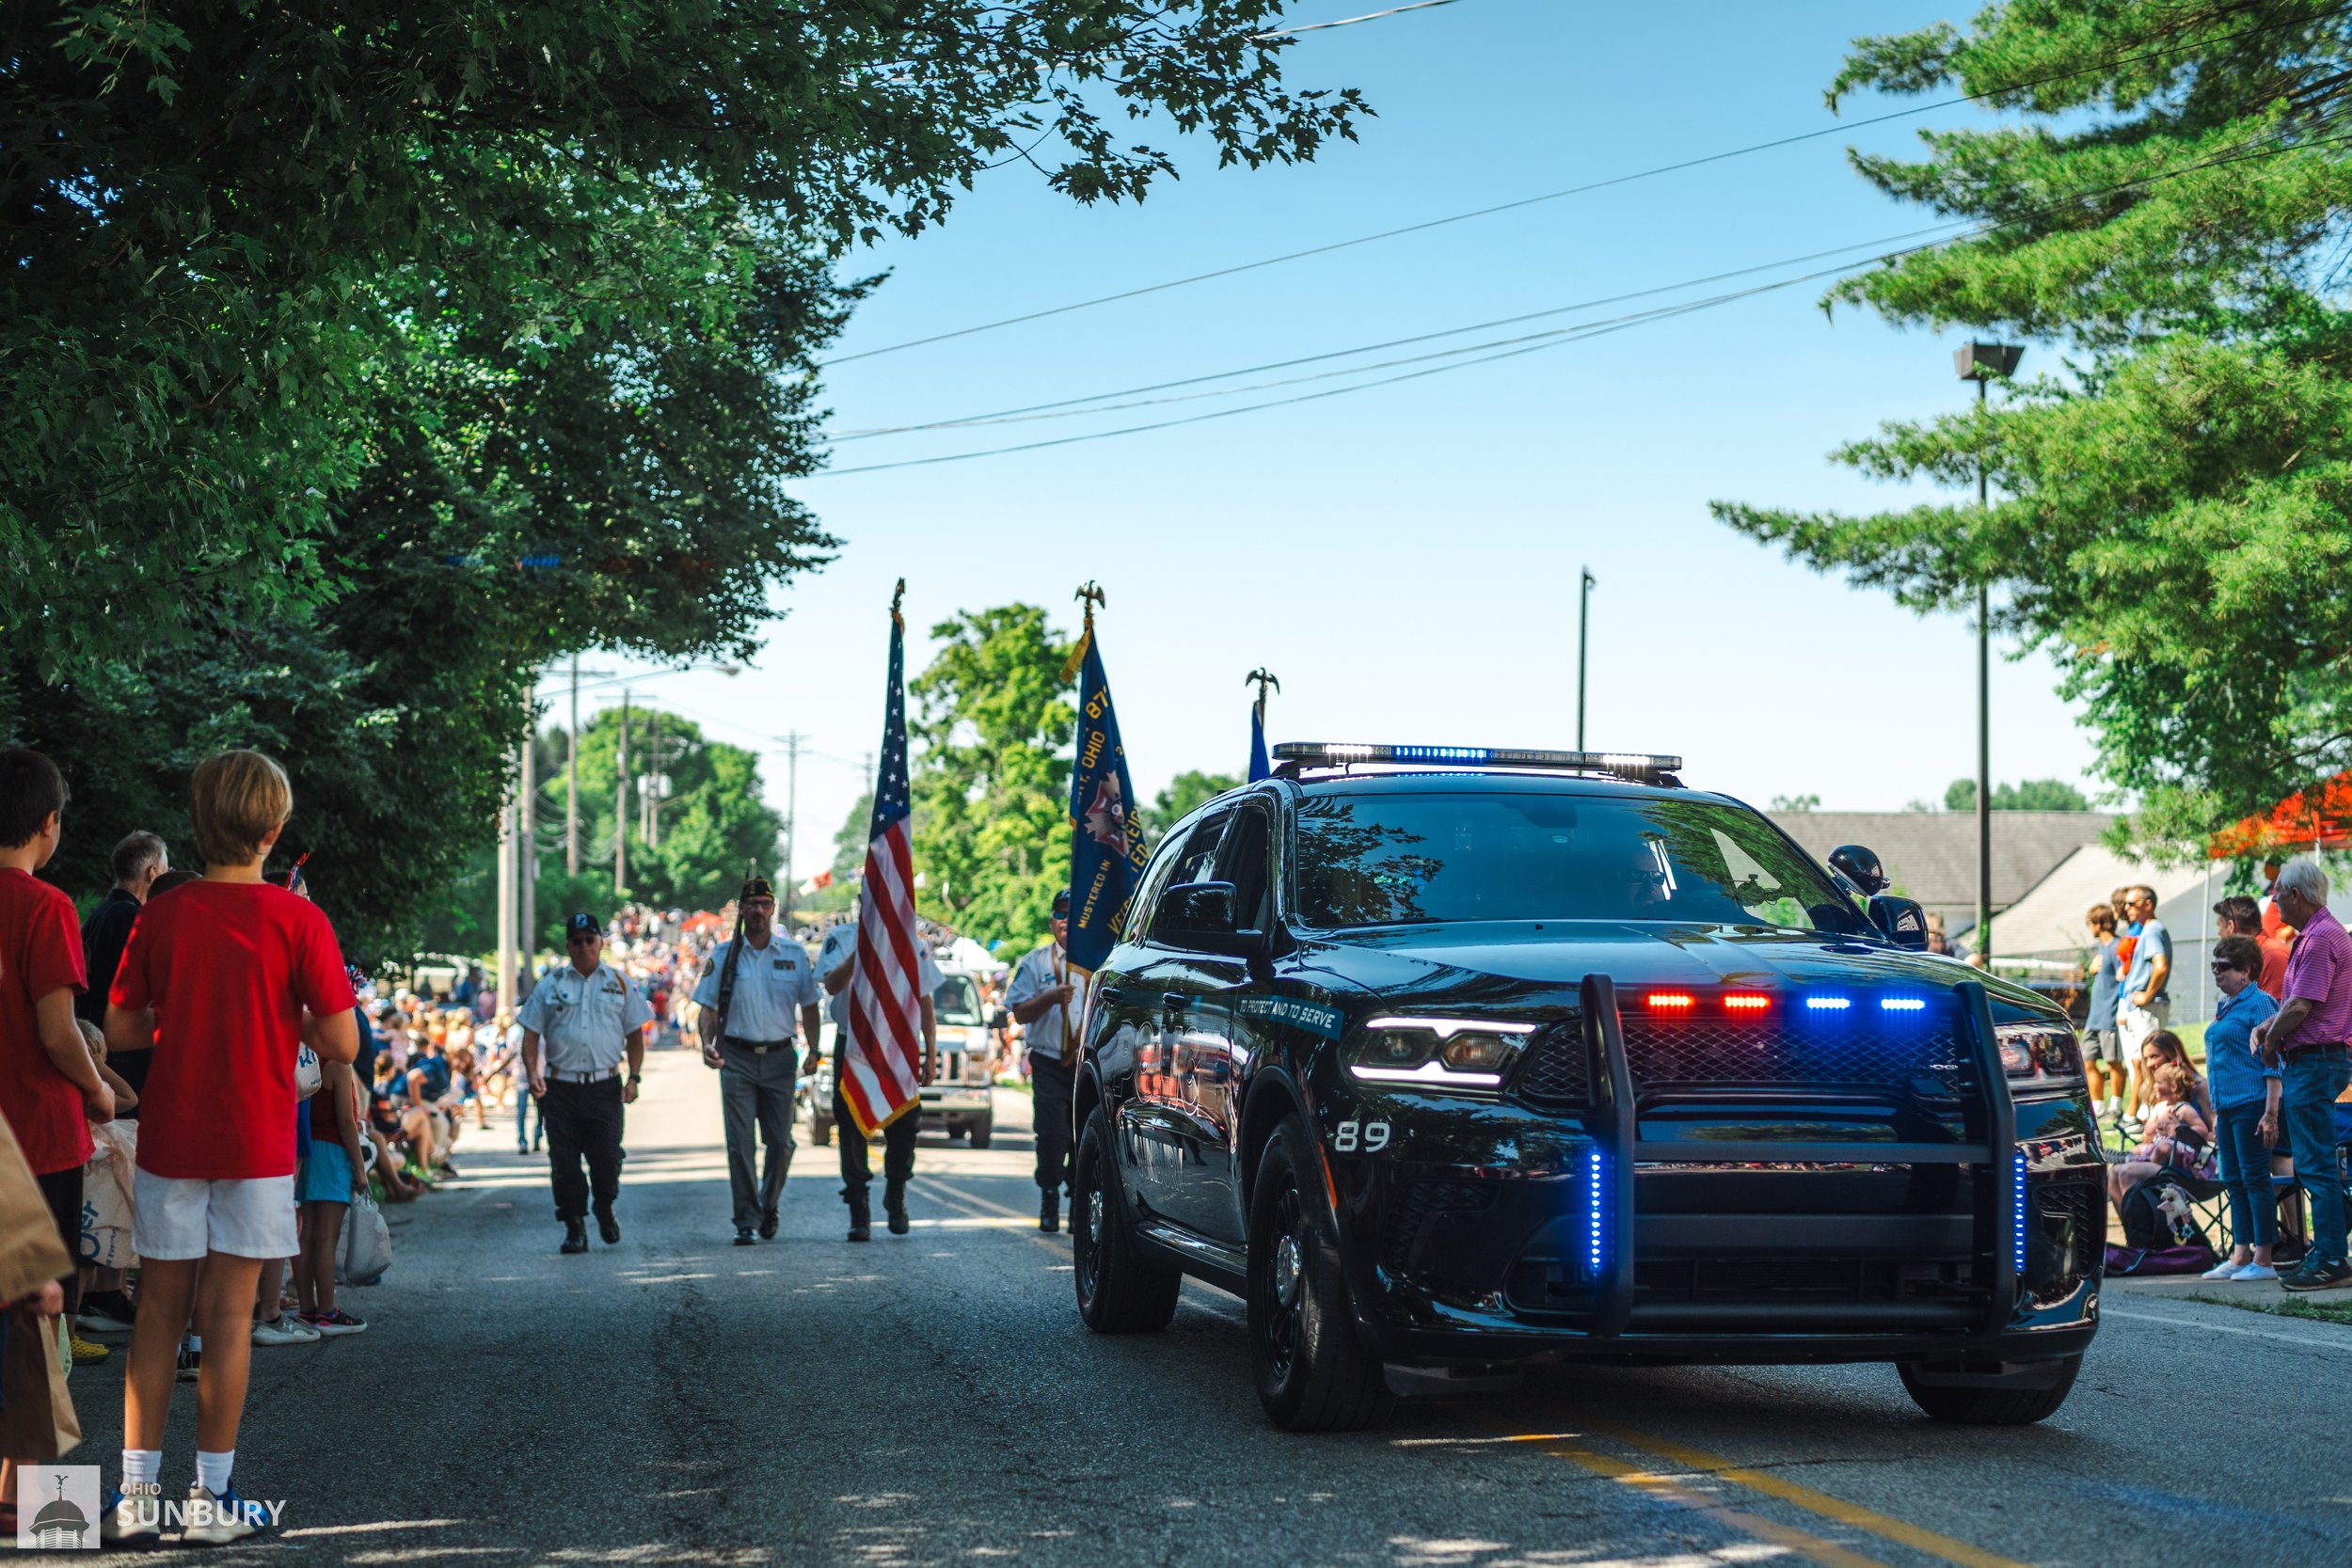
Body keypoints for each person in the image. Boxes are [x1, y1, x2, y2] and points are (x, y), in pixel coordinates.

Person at [103, 749, 360, 1545]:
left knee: (158, 1312)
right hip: (254, 1139)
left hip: (174, 1132)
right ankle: (211, 1498)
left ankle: (135, 1498)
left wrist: (177, 1017)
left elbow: (119, 1027)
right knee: (229, 1318)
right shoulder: (299, 920)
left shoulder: (163, 914)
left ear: (198, 824)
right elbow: (343, 1040)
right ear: (275, 831)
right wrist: (300, 1017)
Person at [0, 751, 116, 1356]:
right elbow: (56, 1031)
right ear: (49, 823)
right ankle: (31, 1456)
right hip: (37, 1139)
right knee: (40, 1323)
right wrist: (98, 1090)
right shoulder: (46, 905)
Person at [692, 879, 821, 1246]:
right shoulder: (724, 954)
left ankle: (769, 1203)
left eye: (765, 903)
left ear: (774, 907)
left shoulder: (793, 955)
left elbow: (809, 1005)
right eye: (752, 904)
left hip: (781, 1058)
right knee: (740, 1144)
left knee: (781, 1143)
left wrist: (813, 1049)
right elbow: (709, 1009)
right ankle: (746, 1219)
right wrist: (706, 1043)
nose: (758, 911)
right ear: (741, 909)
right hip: (737, 1058)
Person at [516, 913, 650, 1255]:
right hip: (560, 1087)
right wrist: (532, 1072)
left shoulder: (620, 982)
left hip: (604, 1086)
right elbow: (530, 1034)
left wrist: (633, 1077)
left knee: (606, 1157)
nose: (584, 947)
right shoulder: (551, 984)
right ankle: (574, 1224)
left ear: (601, 942)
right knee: (564, 1162)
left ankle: (604, 1206)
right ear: (568, 945)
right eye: (577, 940)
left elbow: (635, 1035)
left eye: (590, 939)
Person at [2249, 855, 2352, 1291]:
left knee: (2314, 1164)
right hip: (2321, 1057)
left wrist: (2271, 1040)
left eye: (2278, 895)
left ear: (2295, 894)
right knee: (2316, 1161)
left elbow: (2301, 1004)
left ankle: (2330, 1258)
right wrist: (2267, 1026)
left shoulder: (2317, 939)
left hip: (2315, 1059)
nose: (2274, 903)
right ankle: (2326, 1251)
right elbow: (2295, 1005)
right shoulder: (2325, 934)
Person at [818, 919, 940, 1242]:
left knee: (904, 1127)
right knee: (851, 1125)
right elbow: (831, 985)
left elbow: (924, 1000)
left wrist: (930, 1052)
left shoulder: (913, 943)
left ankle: (896, 1191)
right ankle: (859, 1209)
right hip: (855, 1044)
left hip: (898, 1046)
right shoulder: (841, 938)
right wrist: (862, 952)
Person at [2201, 934, 2282, 1282]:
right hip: (2228, 1107)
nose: (2216, 972)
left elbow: (2274, 1060)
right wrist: (2216, 1112)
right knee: (2232, 1179)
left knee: (2254, 1178)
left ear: (2246, 971)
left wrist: (2270, 1112)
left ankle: (2263, 1258)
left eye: (2224, 967)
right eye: (2214, 965)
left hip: (2252, 1103)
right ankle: (2240, 1254)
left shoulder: (2260, 1004)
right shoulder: (2226, 1005)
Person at [1004, 889, 1080, 1233]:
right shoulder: (1035, 962)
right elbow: (1019, 1013)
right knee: (1052, 1134)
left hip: (1086, 1066)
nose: (1066, 920)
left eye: (1073, 913)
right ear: (1051, 921)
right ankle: (1049, 1195)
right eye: (1060, 913)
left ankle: (1080, 1202)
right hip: (1049, 1061)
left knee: (1084, 1136)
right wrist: (1049, 997)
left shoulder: (1100, 960)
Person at [2115, 884, 2171, 1135]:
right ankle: (2148, 1116)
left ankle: (2156, 1118)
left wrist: (2147, 994)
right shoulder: (2147, 930)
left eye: (2132, 903)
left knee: (2153, 1061)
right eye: (2126, 904)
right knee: (2142, 1063)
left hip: (2149, 1007)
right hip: (2141, 1007)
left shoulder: (2153, 930)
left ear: (2148, 904)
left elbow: (2160, 966)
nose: (2126, 908)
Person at [2082, 903, 2126, 1127]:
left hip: (2110, 1014)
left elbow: (2124, 974)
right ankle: (2097, 1105)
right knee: (2088, 1061)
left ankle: (2115, 1107)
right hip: (2094, 1016)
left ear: (2101, 923)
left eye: (2090, 923)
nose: (2089, 927)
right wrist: (2091, 969)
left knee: (2113, 1062)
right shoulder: (2101, 947)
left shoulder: (2118, 946)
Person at [2214, 894, 2289, 1000]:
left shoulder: (2271, 955)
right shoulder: (2254, 954)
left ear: (2231, 927)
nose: (2219, 933)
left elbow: (2276, 1010)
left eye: (2220, 927)